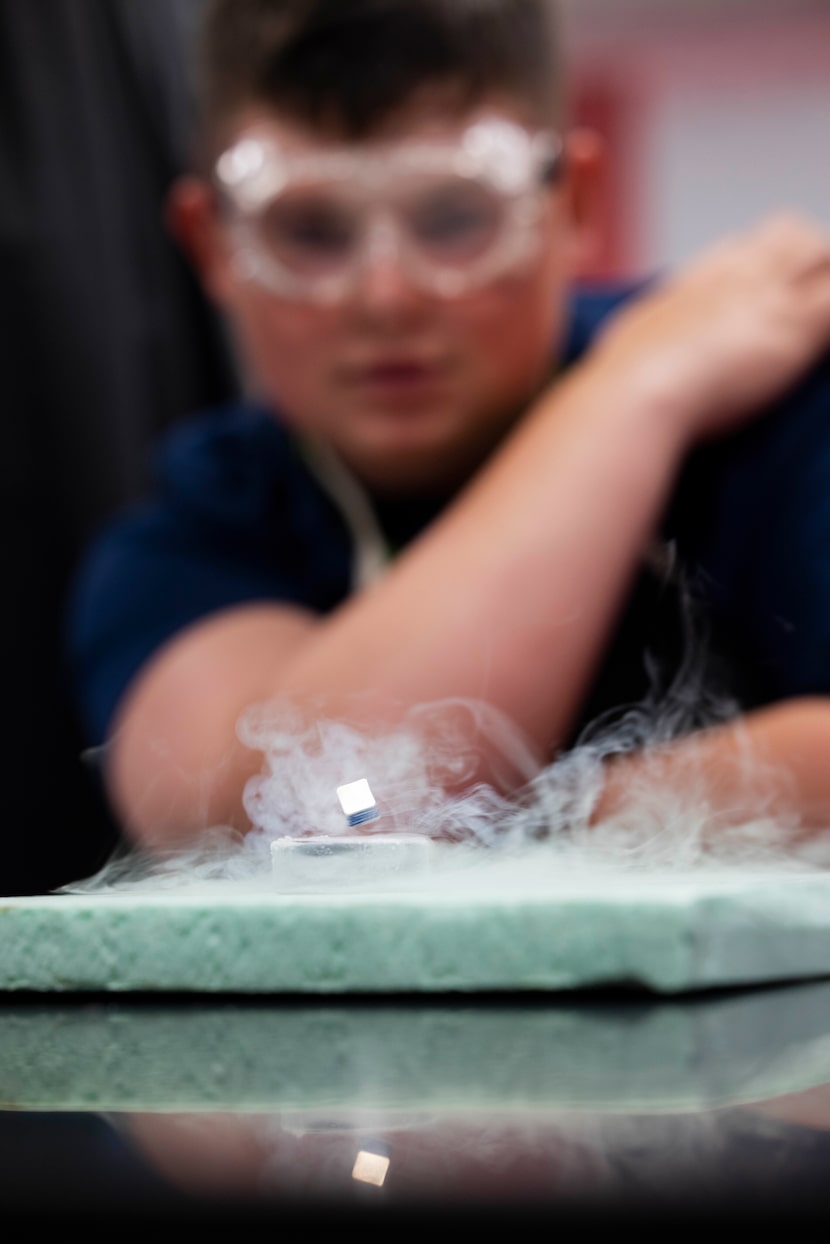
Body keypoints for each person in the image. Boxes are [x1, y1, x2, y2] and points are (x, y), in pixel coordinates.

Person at [67, 0, 830, 856]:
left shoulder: (774, 392)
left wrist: (455, 838)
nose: (385, 297)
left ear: (573, 203)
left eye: (454, 217)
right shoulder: (201, 532)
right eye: (311, 230)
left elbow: (327, 845)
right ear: (212, 243)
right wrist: (630, 396)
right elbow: (280, 822)